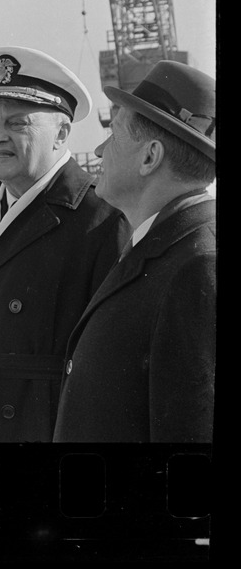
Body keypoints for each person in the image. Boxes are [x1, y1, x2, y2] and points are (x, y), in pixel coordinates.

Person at [0, 46, 130, 443]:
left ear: (61, 133)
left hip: (49, 427)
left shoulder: (103, 218)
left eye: (17, 123)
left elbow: (114, 371)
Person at [54, 61, 216, 442]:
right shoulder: (165, 246)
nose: (98, 149)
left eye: (114, 135)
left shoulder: (198, 266)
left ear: (149, 157)